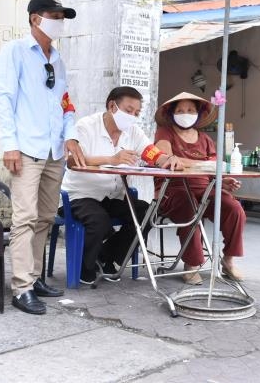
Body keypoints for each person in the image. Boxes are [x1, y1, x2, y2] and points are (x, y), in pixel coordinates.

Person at [0, 0, 86, 315]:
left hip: (53, 150)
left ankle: (33, 278)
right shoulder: (15, 51)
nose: (59, 23)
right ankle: (21, 287)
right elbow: (4, 99)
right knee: (24, 218)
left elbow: (65, 104)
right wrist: (10, 144)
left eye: (62, 18)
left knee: (46, 217)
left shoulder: (57, 60)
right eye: (55, 16)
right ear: (36, 18)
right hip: (26, 148)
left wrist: (71, 137)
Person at [61, 86, 183, 285]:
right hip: (80, 195)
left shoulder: (132, 131)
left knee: (147, 213)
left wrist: (167, 160)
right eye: (129, 110)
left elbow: (150, 153)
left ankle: (106, 256)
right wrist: (112, 159)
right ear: (112, 106)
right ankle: (84, 266)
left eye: (136, 113)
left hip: (113, 196)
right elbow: (72, 161)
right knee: (99, 221)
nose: (133, 117)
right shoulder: (86, 126)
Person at [154, 92, 246, 285]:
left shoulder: (205, 139)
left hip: (205, 188)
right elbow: (168, 159)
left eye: (190, 110)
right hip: (172, 190)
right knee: (189, 208)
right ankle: (192, 264)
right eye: (180, 110)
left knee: (234, 208)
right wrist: (200, 164)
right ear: (171, 114)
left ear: (198, 114)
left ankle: (228, 260)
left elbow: (214, 169)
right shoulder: (165, 132)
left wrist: (224, 180)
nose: (185, 113)